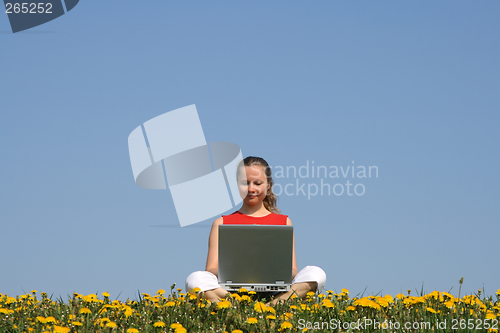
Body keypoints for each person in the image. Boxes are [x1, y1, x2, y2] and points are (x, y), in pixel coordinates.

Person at [185, 156, 326, 303]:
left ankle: (275, 304)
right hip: (231, 290)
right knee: (194, 279)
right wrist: (239, 270)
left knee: (316, 273)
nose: (251, 189)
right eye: (245, 183)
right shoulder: (221, 223)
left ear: (268, 185)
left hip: (276, 291)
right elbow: (211, 270)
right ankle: (237, 304)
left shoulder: (284, 222)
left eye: (257, 183)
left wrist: (272, 272)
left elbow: (292, 271)